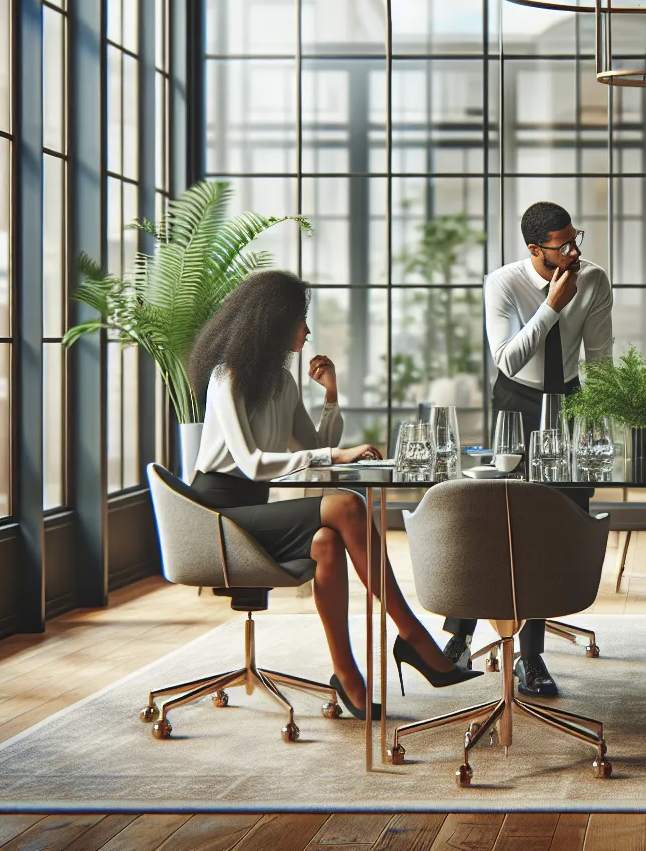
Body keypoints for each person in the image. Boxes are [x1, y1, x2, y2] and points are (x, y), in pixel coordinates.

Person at [187, 270, 472, 720]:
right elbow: (253, 463)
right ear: (274, 322)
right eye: (300, 319)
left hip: (253, 512)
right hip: (217, 517)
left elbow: (311, 446)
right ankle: (414, 636)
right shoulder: (228, 376)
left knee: (326, 541)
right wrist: (337, 454)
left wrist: (331, 395)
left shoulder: (280, 382)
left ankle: (346, 675)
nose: (308, 330)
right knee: (346, 504)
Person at [440, 201, 613, 698]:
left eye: (576, 238)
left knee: (550, 524)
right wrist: (551, 307)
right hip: (516, 399)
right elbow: (508, 360)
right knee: (498, 517)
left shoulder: (594, 280)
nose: (575, 250)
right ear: (536, 250)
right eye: (564, 245)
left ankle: (531, 657)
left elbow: (599, 358)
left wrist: (597, 424)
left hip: (572, 400)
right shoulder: (502, 283)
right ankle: (462, 631)